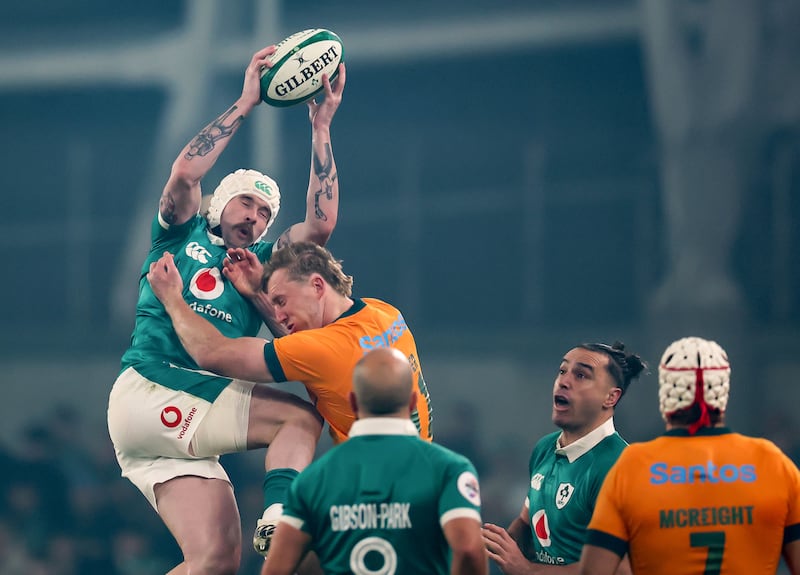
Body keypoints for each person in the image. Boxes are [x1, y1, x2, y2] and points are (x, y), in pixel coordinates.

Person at [107, 41, 346, 575]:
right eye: (247, 202)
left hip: (169, 421)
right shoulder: (181, 231)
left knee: (215, 561)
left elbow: (321, 226)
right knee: (299, 420)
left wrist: (321, 126)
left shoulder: (262, 263)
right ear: (221, 202)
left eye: (266, 212)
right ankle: (281, 514)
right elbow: (186, 173)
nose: (256, 218)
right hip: (153, 384)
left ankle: (272, 520)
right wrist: (246, 103)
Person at [146, 241, 434, 557]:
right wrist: (258, 296)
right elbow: (309, 352)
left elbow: (212, 353)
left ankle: (277, 517)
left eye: (282, 301)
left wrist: (172, 298)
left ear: (317, 284)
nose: (279, 315)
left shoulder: (326, 348)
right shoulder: (382, 312)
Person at [580, 336, 800, 575]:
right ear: (723, 393)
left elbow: (594, 571)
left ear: (666, 394)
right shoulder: (772, 463)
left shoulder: (633, 466)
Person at [259, 347, 487, 575]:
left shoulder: (313, 479)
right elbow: (468, 549)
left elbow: (278, 567)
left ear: (354, 403)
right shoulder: (450, 470)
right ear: (411, 402)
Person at [482, 341, 645, 574]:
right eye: (562, 371)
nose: (564, 381)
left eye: (581, 375)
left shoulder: (619, 466)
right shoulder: (545, 448)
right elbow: (527, 522)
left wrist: (528, 570)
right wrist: (492, 545)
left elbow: (621, 569)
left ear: (610, 398)